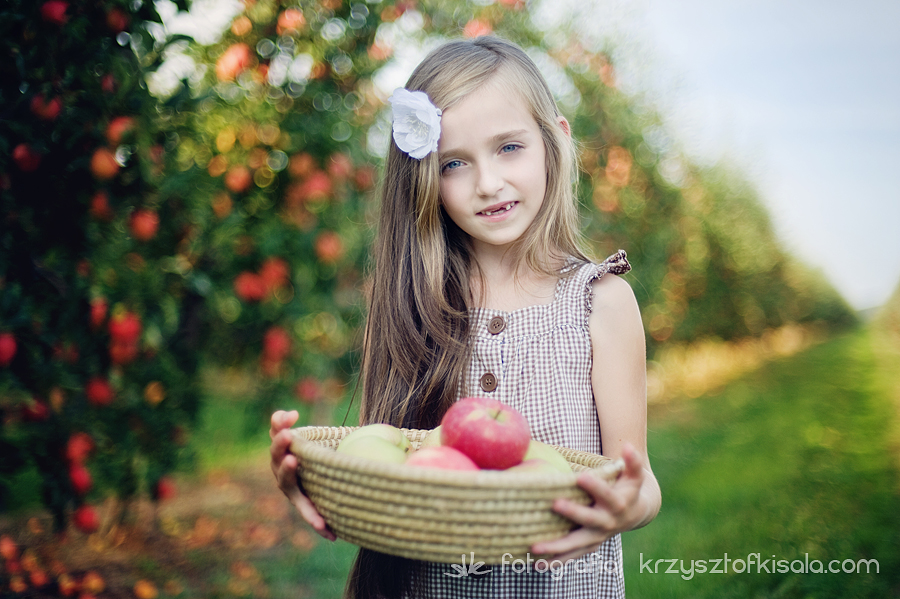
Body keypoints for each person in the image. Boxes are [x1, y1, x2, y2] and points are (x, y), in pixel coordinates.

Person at [269, 36, 661, 598]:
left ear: (555, 141)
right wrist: (322, 482)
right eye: (454, 162)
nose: (488, 183)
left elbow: (640, 481)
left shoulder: (598, 302)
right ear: (426, 178)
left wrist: (625, 507)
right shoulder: (411, 303)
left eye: (509, 148)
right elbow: (391, 460)